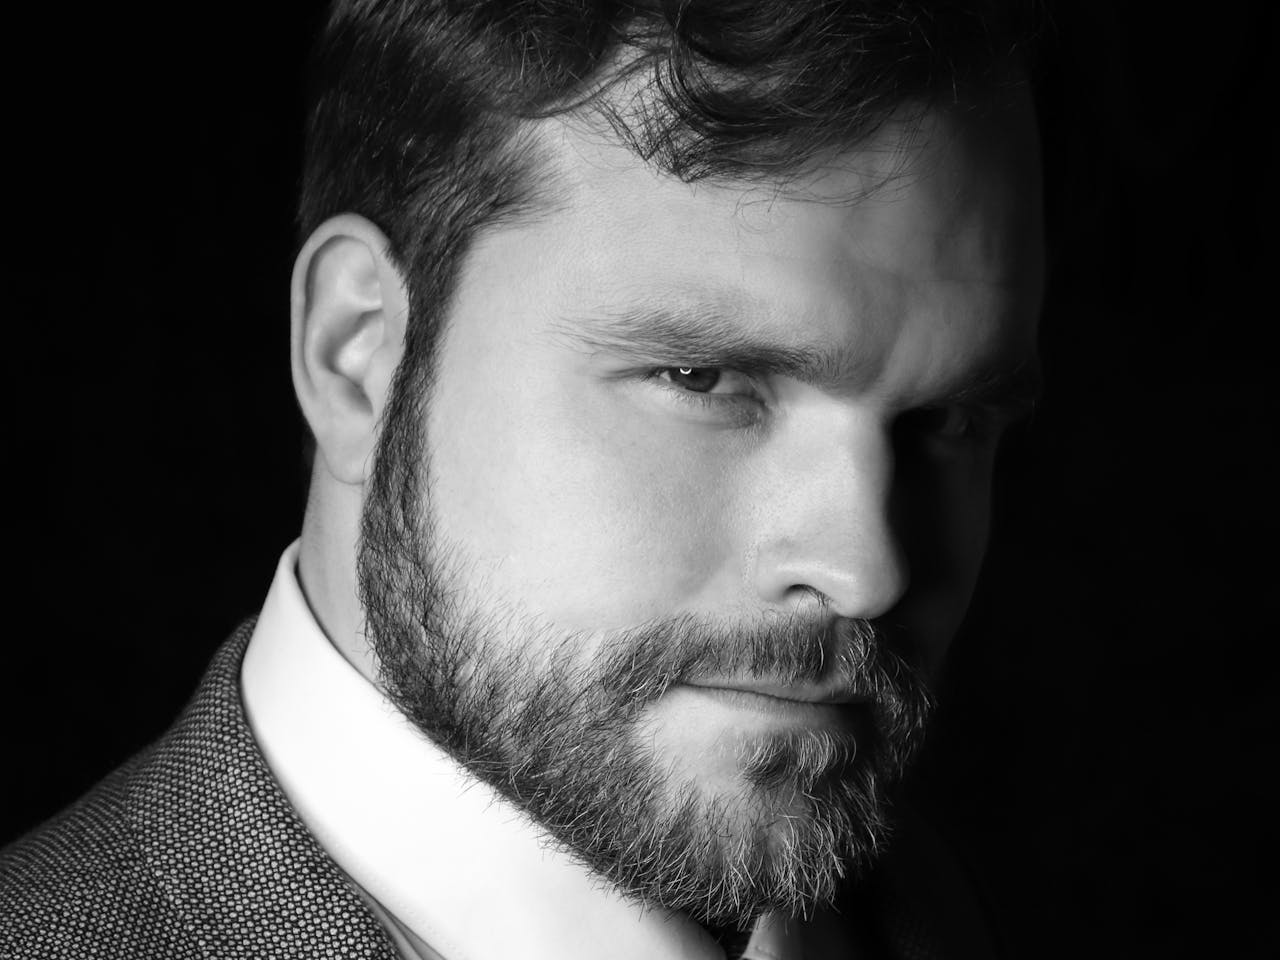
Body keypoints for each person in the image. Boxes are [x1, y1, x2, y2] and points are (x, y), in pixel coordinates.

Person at [0, 1, 1045, 957]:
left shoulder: (922, 911)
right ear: (356, 353)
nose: (867, 570)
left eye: (945, 421)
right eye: (702, 378)